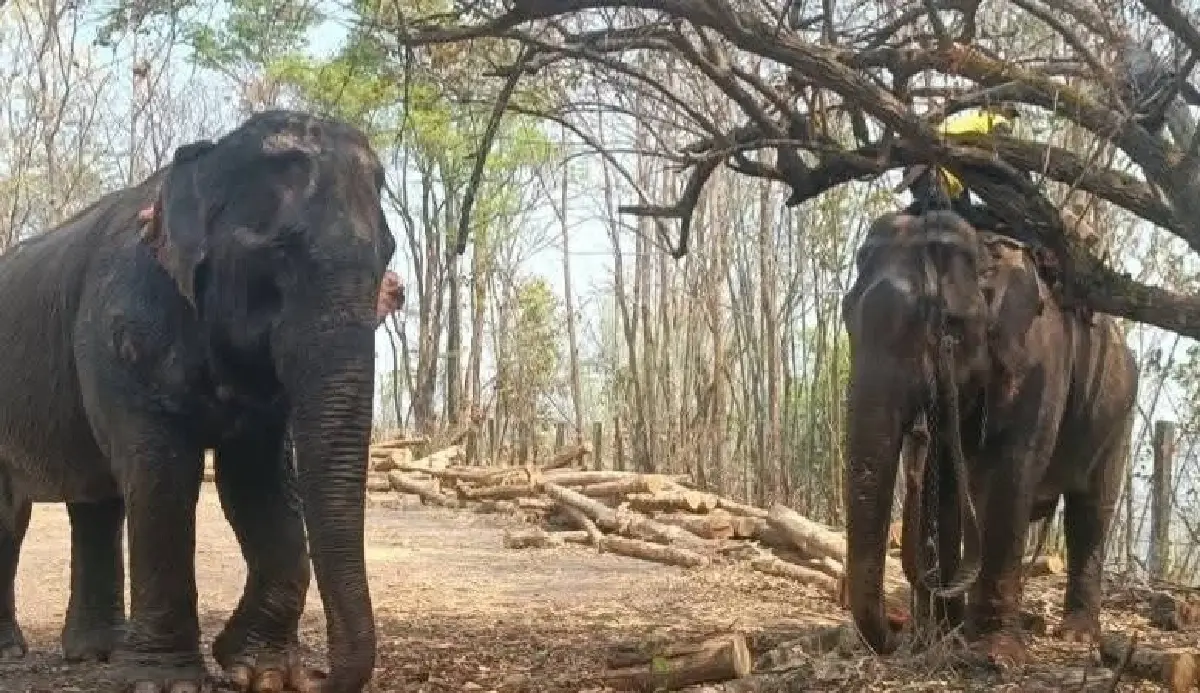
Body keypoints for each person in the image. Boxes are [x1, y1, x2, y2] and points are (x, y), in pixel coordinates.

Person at [896, 103, 1022, 230]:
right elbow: (1007, 159)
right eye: (1011, 115)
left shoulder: (968, 120)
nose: (1010, 121)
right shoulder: (997, 121)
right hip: (933, 175)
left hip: (925, 175)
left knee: (967, 220)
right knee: (943, 225)